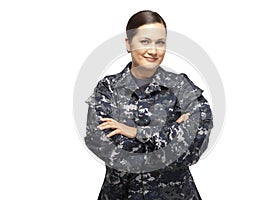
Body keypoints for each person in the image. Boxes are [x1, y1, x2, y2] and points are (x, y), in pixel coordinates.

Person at [85, 10, 213, 200]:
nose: (153, 50)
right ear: (128, 44)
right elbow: (104, 146)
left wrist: (137, 133)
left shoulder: (181, 87)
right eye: (145, 41)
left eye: (160, 42)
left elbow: (194, 147)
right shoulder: (108, 89)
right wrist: (176, 130)